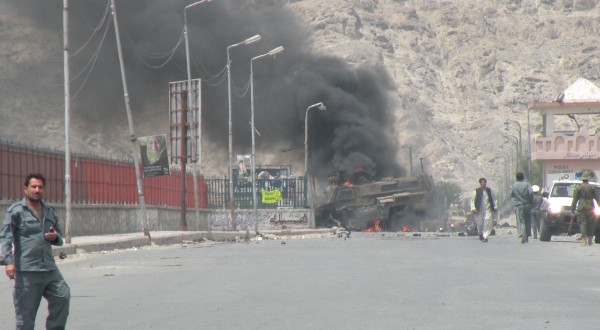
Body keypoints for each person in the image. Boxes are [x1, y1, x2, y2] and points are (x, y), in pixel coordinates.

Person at [0, 173, 70, 329]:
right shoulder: (16, 211)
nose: (37, 190)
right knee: (26, 317)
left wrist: (54, 237)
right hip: (27, 271)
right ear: (26, 189)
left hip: (49, 269)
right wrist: (8, 263)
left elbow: (58, 238)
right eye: (33, 187)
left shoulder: (49, 211)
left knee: (63, 296)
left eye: (40, 187)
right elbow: (5, 237)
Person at [570, 173, 600, 246]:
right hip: (591, 207)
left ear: (582, 180)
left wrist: (572, 210)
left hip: (582, 207)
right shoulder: (593, 187)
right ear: (588, 180)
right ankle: (590, 240)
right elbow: (597, 198)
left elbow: (575, 199)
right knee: (590, 224)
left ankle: (584, 241)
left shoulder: (578, 188)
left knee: (583, 223)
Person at [470, 177, 497, 242]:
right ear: (480, 183)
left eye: (484, 182)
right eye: (482, 183)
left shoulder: (490, 191)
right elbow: (472, 201)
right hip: (479, 210)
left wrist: (495, 207)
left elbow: (494, 199)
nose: (483, 184)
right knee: (480, 224)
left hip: (487, 209)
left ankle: (485, 236)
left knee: (487, 222)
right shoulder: (476, 191)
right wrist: (473, 208)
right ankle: (480, 233)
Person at [511, 172, 533, 244]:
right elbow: (531, 193)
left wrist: (514, 203)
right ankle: (527, 234)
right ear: (523, 177)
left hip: (519, 205)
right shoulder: (527, 184)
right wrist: (531, 201)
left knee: (521, 220)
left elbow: (512, 195)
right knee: (527, 220)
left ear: (516, 178)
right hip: (527, 204)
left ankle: (522, 233)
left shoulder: (514, 185)